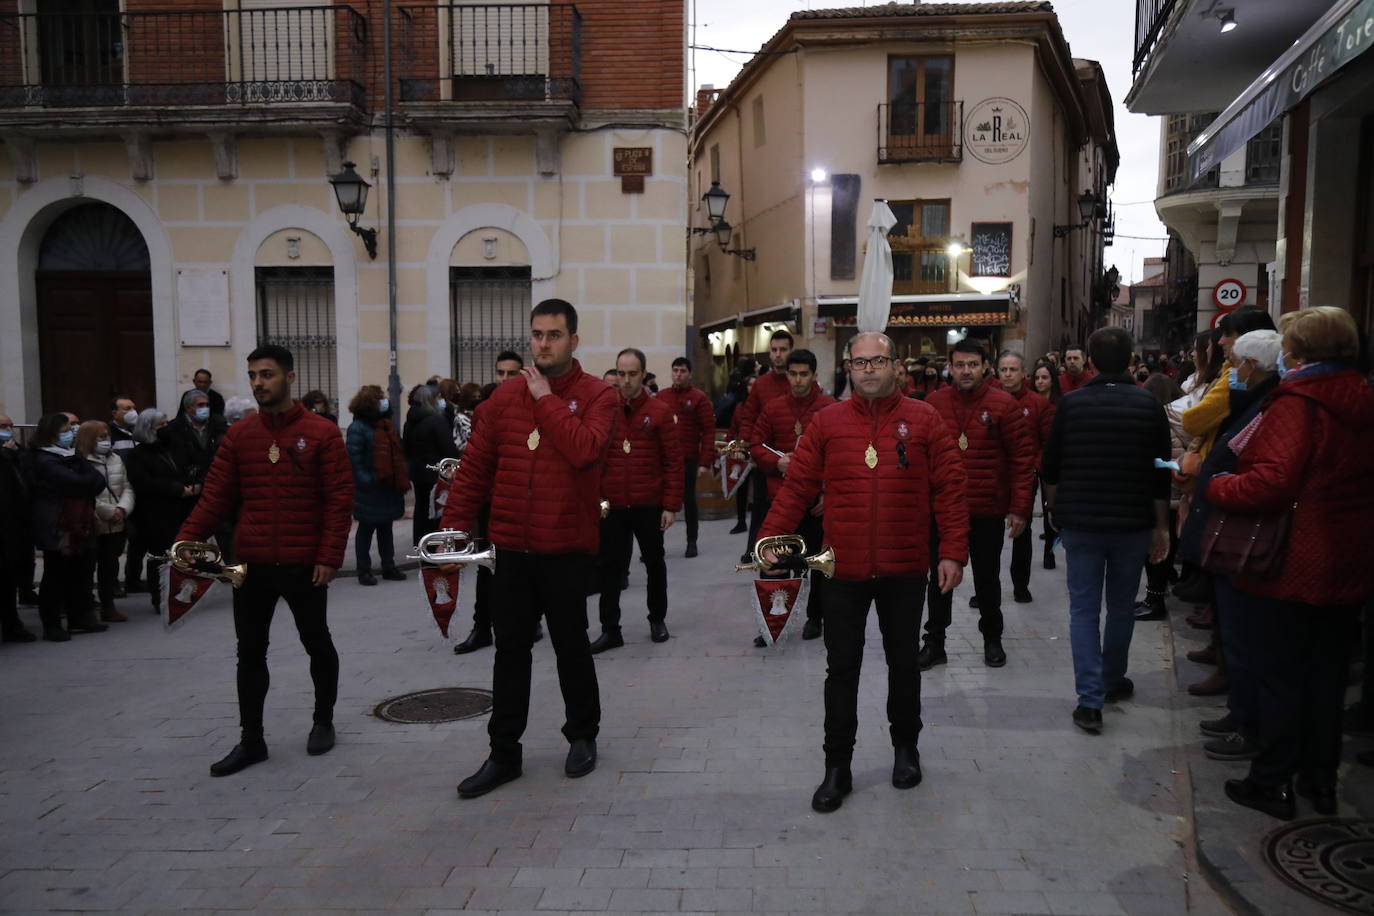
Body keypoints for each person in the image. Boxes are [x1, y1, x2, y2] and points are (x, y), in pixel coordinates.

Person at [758, 331, 968, 812]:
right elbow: (796, 488)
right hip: (842, 571)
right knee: (842, 670)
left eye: (878, 361)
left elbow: (951, 490)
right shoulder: (827, 423)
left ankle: (905, 749)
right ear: (848, 369)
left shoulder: (924, 420)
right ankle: (837, 767)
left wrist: (953, 551)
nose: (869, 369)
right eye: (859, 362)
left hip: (904, 568)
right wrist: (769, 541)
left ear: (896, 367)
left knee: (903, 665)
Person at [440, 299, 617, 799]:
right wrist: (454, 528)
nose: (543, 344)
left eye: (554, 335)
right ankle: (504, 753)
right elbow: (474, 469)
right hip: (512, 548)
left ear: (574, 341)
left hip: (566, 547)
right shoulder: (501, 400)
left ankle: (582, 734)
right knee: (509, 652)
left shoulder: (599, 395)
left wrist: (544, 399)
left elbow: (585, 451)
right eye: (537, 335)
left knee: (571, 647)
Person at [1203, 307, 1374, 820]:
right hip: (1349, 559)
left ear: (1302, 354)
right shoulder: (1363, 397)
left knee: (1279, 675)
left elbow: (1270, 481)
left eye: (1292, 350)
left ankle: (1272, 781)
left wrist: (1218, 485)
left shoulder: (1297, 402)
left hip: (1293, 559)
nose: (1288, 359)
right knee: (1327, 679)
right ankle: (1319, 782)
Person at [177, 344, 354, 777]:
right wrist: (185, 541)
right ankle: (251, 739)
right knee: (249, 653)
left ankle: (323, 720)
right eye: (253, 375)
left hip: (304, 564)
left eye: (267, 375)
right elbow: (216, 496)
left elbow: (338, 500)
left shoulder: (322, 432)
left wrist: (330, 556)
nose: (258, 383)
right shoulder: (240, 436)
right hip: (251, 565)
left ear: (289, 378)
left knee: (317, 642)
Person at [1041, 327, 1171, 732]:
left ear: (1091, 362)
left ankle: (1089, 701)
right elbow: (1160, 471)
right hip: (1132, 522)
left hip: (1081, 521)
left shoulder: (1072, 405)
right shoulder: (1149, 404)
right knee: (1120, 606)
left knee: (1083, 609)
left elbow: (1051, 465)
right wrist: (1161, 526)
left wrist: (1053, 507)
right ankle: (1113, 679)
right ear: (1131, 359)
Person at [1180, 330, 1283, 761]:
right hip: (1237, 534)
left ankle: (1252, 729)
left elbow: (1261, 474)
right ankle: (1241, 715)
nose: (1232, 370)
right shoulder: (1261, 400)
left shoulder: (1273, 404)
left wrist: (1218, 485)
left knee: (1252, 644)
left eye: (1236, 362)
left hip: (1249, 537)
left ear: (1253, 366)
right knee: (1238, 636)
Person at [921, 339, 1035, 669]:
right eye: (959, 365)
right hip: (942, 511)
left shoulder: (1004, 405)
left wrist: (1019, 508)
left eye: (972, 364)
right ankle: (935, 642)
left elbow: (1022, 460)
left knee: (987, 577)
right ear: (950, 367)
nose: (966, 371)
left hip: (987, 508)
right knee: (938, 579)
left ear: (986, 366)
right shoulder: (934, 403)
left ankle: (992, 638)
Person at [591, 348, 683, 652]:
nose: (626, 380)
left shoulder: (659, 411)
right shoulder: (604, 409)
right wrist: (597, 497)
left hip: (648, 503)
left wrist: (670, 505)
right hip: (613, 505)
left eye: (632, 374)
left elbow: (673, 460)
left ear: (643, 374)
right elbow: (596, 457)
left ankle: (657, 619)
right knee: (610, 569)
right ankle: (610, 629)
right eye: (621, 373)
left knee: (655, 564)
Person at [454, 353, 543, 656]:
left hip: (524, 501)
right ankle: (481, 628)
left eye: (512, 373)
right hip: (490, 501)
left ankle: (532, 621)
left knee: (529, 567)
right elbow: (476, 460)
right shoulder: (485, 409)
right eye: (500, 373)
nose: (504, 378)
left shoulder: (534, 406)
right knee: (485, 567)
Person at [750, 348, 835, 641]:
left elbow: (838, 456)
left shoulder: (829, 408)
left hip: (815, 503)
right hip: (780, 500)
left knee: (816, 562)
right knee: (776, 564)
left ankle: (815, 618)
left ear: (814, 376)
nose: (798, 380)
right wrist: (777, 462)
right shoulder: (773, 408)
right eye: (793, 374)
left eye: (804, 374)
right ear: (787, 375)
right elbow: (756, 444)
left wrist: (827, 493)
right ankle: (775, 622)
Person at [28, 412, 108, 641]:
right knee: (56, 574)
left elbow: (97, 480)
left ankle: (79, 617)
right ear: (52, 434)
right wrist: (83, 481)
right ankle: (52, 624)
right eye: (65, 431)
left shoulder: (73, 455)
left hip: (79, 520)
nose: (70, 434)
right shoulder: (43, 459)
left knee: (80, 571)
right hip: (56, 522)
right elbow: (74, 482)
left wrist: (83, 480)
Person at [123, 409, 195, 615]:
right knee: (159, 557)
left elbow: (186, 467)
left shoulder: (173, 447)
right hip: (154, 513)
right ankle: (159, 597)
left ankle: (180, 593)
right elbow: (143, 482)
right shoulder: (139, 455)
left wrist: (190, 484)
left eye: (166, 423)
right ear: (149, 429)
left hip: (178, 509)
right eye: (161, 425)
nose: (166, 428)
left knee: (179, 554)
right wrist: (174, 488)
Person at [996, 350, 1053, 603]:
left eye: (1012, 369)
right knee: (987, 536)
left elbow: (1046, 442)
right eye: (1003, 370)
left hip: (1023, 477)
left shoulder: (1038, 404)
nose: (1008, 374)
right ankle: (985, 587)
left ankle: (1021, 584)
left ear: (1023, 373)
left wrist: (1033, 467)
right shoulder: (990, 400)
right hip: (993, 477)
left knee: (1022, 532)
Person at [735, 330, 796, 559]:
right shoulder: (761, 385)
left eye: (783, 349)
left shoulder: (799, 380)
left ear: (791, 350)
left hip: (796, 458)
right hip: (767, 458)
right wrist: (743, 446)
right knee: (761, 508)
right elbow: (748, 417)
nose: (778, 354)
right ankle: (755, 550)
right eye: (774, 350)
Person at [345, 385, 408, 586]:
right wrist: (368, 481)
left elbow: (397, 452)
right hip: (370, 488)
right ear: (370, 403)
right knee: (366, 529)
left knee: (386, 528)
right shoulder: (358, 428)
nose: (384, 401)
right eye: (380, 398)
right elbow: (354, 460)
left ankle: (388, 566)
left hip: (387, 486)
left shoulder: (386, 424)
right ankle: (364, 570)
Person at [1135, 372, 1185, 621]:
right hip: (1174, 497)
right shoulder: (1179, 419)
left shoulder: (1163, 421)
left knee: (1157, 552)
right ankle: (1156, 593)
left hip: (1167, 497)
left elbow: (1167, 462)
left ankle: (1154, 599)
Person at [656, 357, 716, 558]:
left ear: (689, 373)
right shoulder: (661, 397)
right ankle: (656, 543)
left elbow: (708, 431)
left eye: (682, 370)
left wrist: (704, 461)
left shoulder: (699, 398)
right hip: (663, 459)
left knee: (689, 501)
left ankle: (692, 542)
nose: (678, 374)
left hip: (688, 458)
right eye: (675, 370)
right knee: (658, 502)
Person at [78, 420, 135, 623]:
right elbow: (89, 494)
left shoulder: (115, 459)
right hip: (94, 521)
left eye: (107, 436)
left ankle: (108, 606)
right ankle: (85, 608)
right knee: (87, 567)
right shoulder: (81, 461)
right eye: (101, 437)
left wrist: (122, 508)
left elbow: (126, 486)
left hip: (116, 521)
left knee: (109, 567)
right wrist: (110, 511)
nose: (106, 440)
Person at [403, 384, 460, 549]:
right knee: (435, 510)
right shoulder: (436, 420)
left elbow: (406, 447)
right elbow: (448, 448)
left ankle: (419, 542)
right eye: (438, 398)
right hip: (436, 471)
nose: (441, 401)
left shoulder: (410, 421)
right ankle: (434, 544)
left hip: (418, 471)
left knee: (421, 508)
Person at [0, 413, 37, 642]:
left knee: (9, 577)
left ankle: (12, 622)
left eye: (10, 425)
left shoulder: (17, 451)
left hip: (14, 524)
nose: (9, 429)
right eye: (3, 426)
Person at [1031, 361, 1061, 568]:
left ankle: (1049, 550)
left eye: (1044, 378)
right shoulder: (1028, 403)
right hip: (1032, 460)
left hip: (1053, 461)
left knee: (1050, 507)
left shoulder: (1060, 404)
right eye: (1037, 378)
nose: (1040, 382)